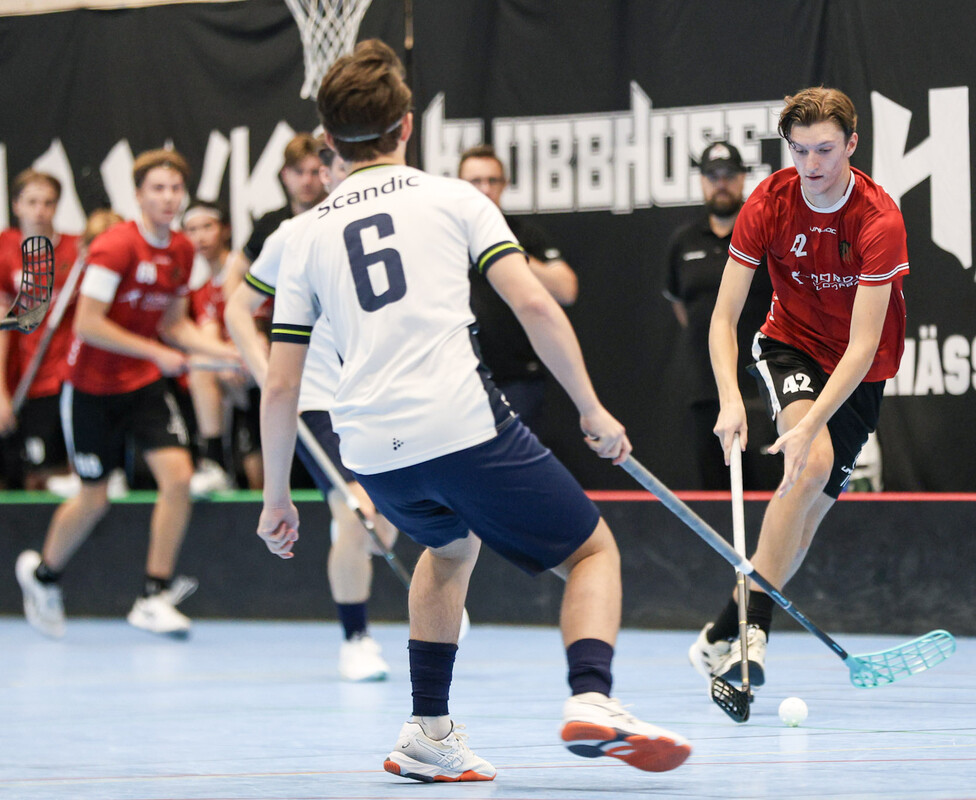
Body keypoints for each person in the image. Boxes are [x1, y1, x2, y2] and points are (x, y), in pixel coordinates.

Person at [257, 40, 690, 782]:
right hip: (458, 424)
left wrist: (277, 497)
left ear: (327, 140)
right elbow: (535, 304)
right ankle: (594, 697)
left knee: (450, 548)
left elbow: (279, 385)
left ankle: (428, 733)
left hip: (371, 450)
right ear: (407, 126)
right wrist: (591, 408)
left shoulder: (300, 236)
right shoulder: (454, 198)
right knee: (592, 552)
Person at [688, 87, 909, 689]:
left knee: (805, 520)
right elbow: (724, 316)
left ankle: (720, 632)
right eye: (800, 150)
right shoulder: (768, 202)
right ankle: (753, 633)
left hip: (862, 370)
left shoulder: (879, 219)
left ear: (852, 145)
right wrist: (730, 398)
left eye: (825, 150)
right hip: (791, 345)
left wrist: (812, 422)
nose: (812, 164)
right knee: (810, 464)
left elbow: (862, 346)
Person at [15, 149, 243, 639]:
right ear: (139, 195)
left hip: (141, 385)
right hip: (90, 390)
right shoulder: (115, 246)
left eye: (175, 189)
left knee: (178, 477)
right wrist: (157, 353)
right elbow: (88, 324)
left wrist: (229, 353)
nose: (168, 197)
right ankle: (44, 575)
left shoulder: (181, 252)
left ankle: (152, 595)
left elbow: (174, 324)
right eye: (157, 188)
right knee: (94, 498)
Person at [225, 143, 398, 682]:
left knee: (383, 523)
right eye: (341, 169)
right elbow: (237, 307)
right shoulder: (293, 235)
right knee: (356, 511)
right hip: (320, 399)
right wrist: (263, 367)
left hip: (383, 393)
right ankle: (356, 638)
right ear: (326, 175)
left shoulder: (394, 224)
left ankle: (428, 587)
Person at [663, 142, 776, 490]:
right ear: (702, 181)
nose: (721, 183)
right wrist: (717, 338)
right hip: (706, 390)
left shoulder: (766, 234)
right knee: (715, 497)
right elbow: (682, 307)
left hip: (762, 387)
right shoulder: (683, 242)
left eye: (729, 175)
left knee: (771, 495)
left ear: (743, 179)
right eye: (713, 176)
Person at [457, 145, 578, 436]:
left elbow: (566, 289)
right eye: (475, 181)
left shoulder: (521, 234)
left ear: (505, 184)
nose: (485, 189)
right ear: (459, 185)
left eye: (492, 180)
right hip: (459, 378)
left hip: (517, 378)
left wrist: (507, 253)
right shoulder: (446, 235)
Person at [0, 170, 82, 490]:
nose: (40, 211)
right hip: (23, 378)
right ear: (16, 205)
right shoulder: (4, 248)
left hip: (66, 377)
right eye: (32, 202)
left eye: (48, 203)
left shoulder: (78, 250)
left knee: (62, 471)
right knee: (25, 473)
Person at [182, 201, 261, 494]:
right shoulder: (202, 288)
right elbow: (209, 337)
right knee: (200, 364)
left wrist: (240, 355)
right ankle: (214, 462)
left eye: (207, 227)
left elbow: (262, 327)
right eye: (192, 230)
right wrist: (228, 358)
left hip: (266, 362)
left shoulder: (243, 269)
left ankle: (217, 461)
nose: (200, 237)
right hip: (236, 369)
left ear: (225, 230)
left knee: (260, 480)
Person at [222, 132, 327, 290]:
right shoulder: (270, 224)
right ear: (285, 175)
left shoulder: (337, 217)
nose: (307, 181)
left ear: (326, 174)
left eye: (314, 172)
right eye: (299, 172)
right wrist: (235, 304)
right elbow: (237, 269)